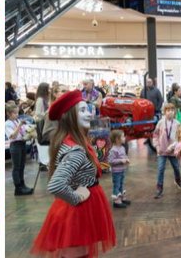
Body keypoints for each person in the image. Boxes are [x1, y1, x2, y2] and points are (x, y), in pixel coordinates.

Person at [32, 90, 116, 257]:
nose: (88, 114)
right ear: (70, 117)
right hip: (76, 212)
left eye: (88, 109)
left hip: (80, 209)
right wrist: (76, 197)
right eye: (82, 110)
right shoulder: (75, 150)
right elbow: (56, 185)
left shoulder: (75, 141)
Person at [153, 102, 181, 198]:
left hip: (173, 151)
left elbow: (180, 138)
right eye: (168, 110)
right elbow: (155, 135)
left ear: (175, 112)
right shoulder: (160, 122)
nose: (170, 112)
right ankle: (159, 187)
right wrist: (157, 146)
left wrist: (175, 147)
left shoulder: (178, 124)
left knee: (176, 168)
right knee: (161, 169)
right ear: (164, 112)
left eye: (172, 110)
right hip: (162, 151)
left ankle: (178, 180)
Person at [6, 101, 33, 196]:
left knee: (22, 166)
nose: (17, 115)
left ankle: (23, 185)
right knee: (16, 167)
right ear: (9, 113)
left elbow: (24, 130)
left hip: (22, 144)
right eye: (14, 113)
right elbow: (12, 136)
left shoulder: (17, 121)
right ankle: (18, 187)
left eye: (17, 113)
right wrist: (20, 125)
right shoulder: (7, 124)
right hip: (15, 145)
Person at [107, 129, 131, 208]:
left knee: (121, 185)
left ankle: (121, 198)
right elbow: (110, 161)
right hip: (116, 172)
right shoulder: (113, 150)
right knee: (116, 185)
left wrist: (126, 159)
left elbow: (124, 156)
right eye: (123, 137)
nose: (125, 138)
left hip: (122, 170)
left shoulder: (122, 148)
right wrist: (121, 160)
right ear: (117, 139)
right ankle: (116, 201)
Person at [34, 82, 51, 170]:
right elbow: (38, 114)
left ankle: (45, 163)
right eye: (48, 88)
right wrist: (47, 112)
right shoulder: (40, 100)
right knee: (43, 143)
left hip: (45, 122)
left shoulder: (45, 99)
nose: (50, 90)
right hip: (42, 123)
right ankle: (43, 163)